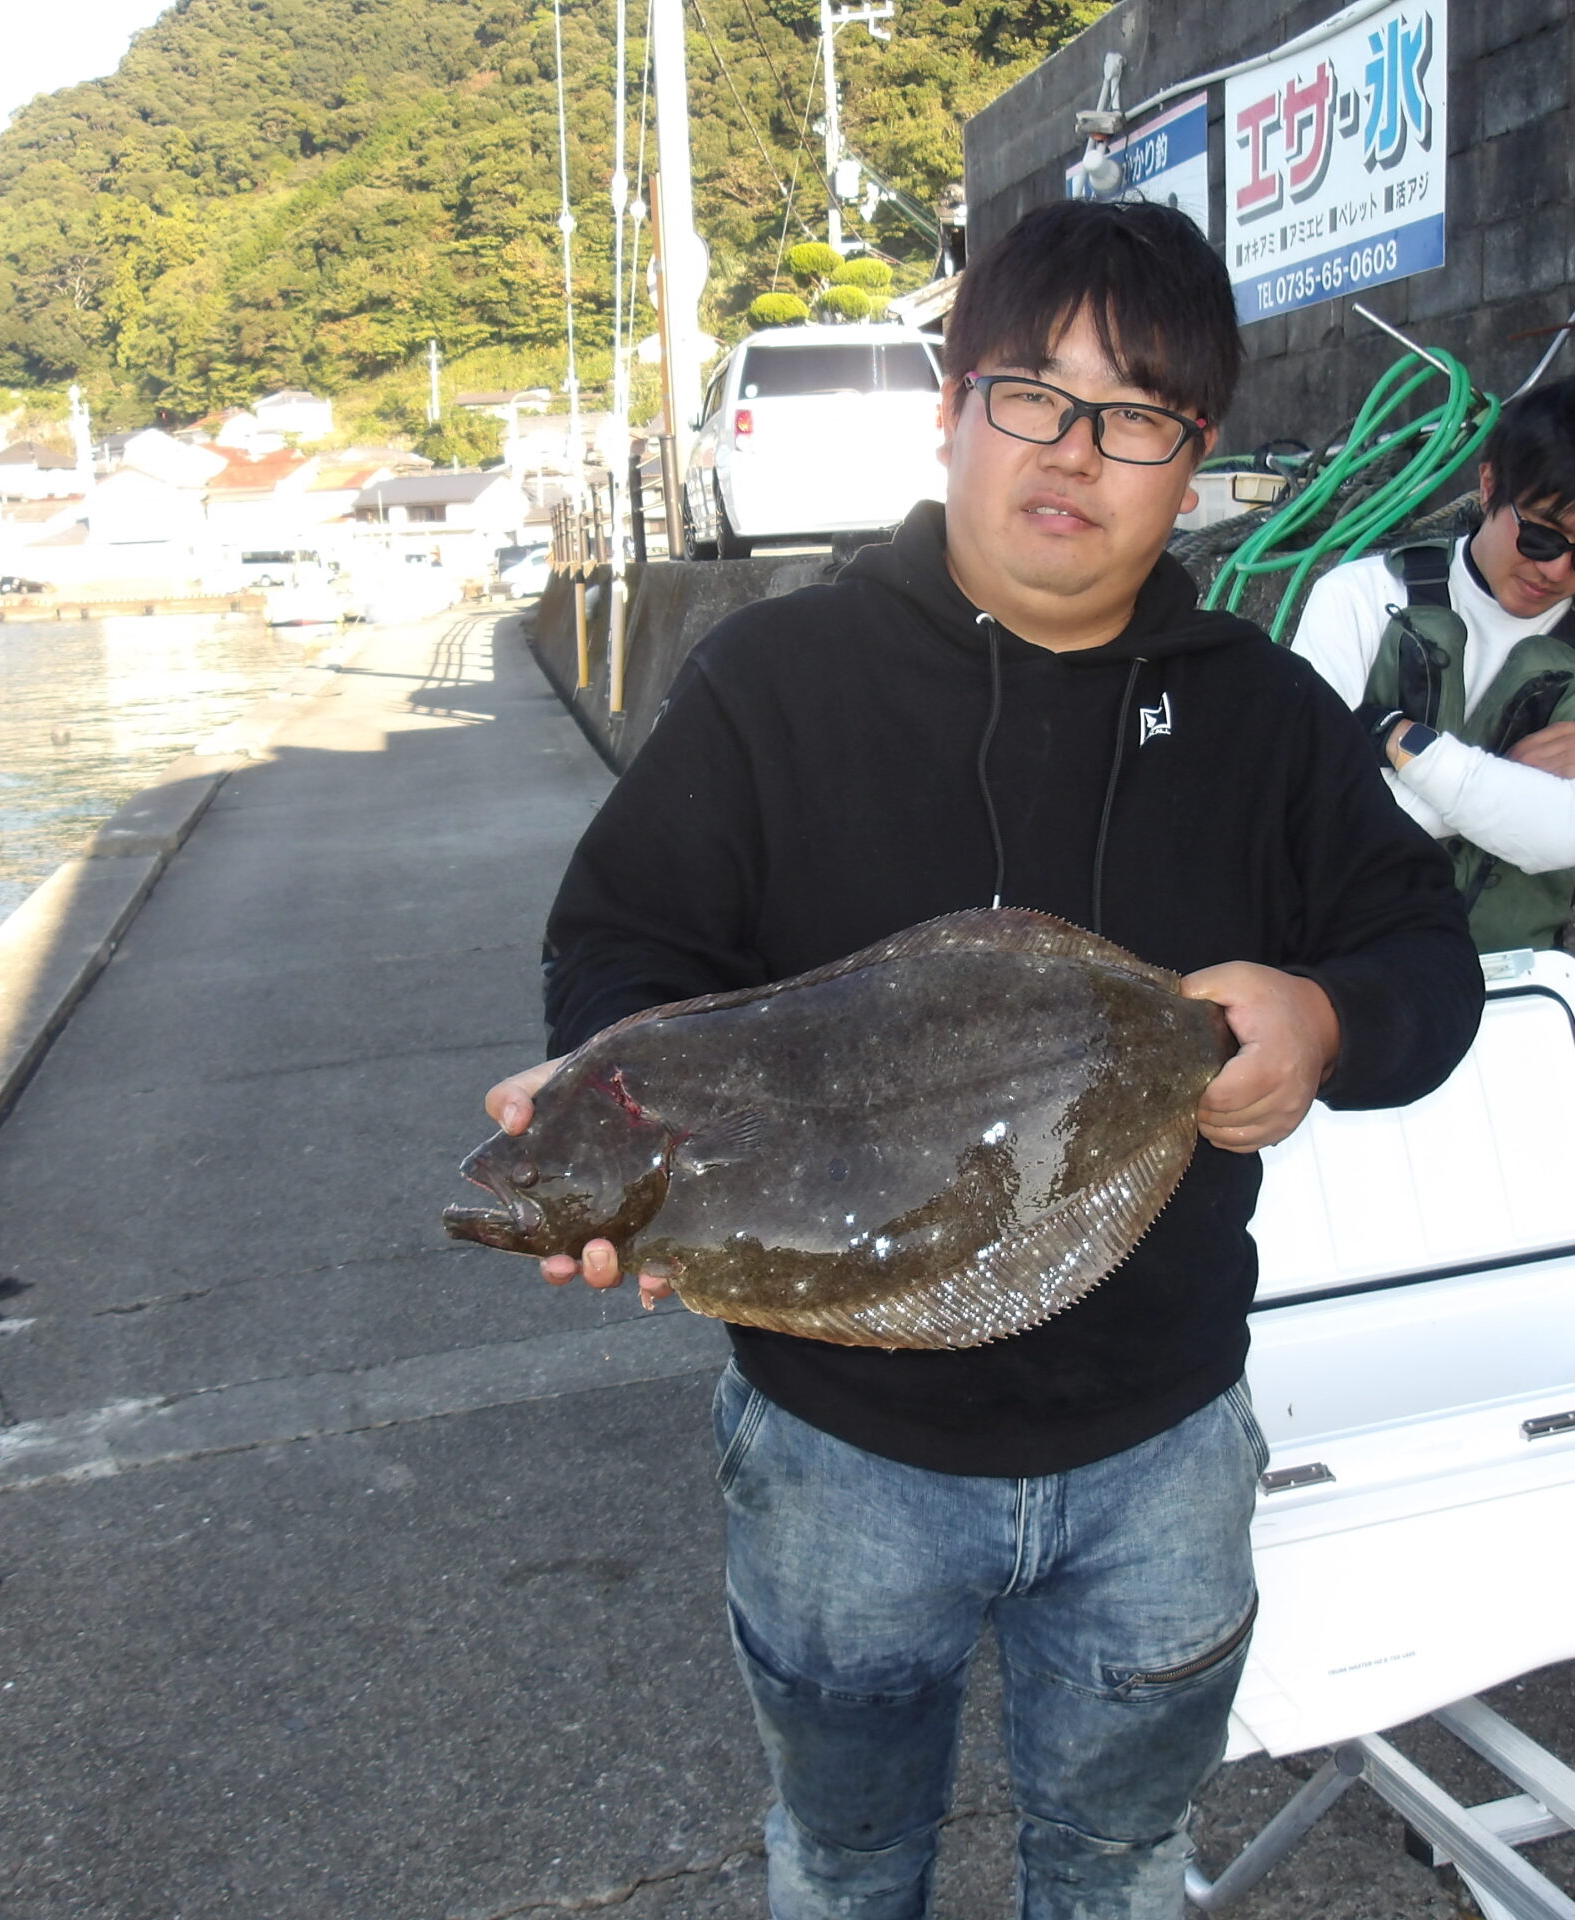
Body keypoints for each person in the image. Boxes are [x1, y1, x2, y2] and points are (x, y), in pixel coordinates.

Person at [480, 199, 1483, 1919]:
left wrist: (1326, 1022)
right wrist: (607, 1086)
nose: (1075, 453)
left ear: (1197, 460)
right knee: (846, 1860)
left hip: (1165, 1443)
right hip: (836, 1448)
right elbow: (626, 943)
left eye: (1138, 417)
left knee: (1117, 1869)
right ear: (952, 406)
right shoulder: (772, 685)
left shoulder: (1260, 714)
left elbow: (1426, 962)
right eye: (1032, 394)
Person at [1288, 377, 1575, 954]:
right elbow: (1312, 823)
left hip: (1505, 982)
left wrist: (1393, 738)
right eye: (1544, 536)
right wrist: (1504, 769)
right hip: (1328, 961)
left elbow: (1562, 833)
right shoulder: (1357, 596)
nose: (1557, 571)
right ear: (1490, 481)